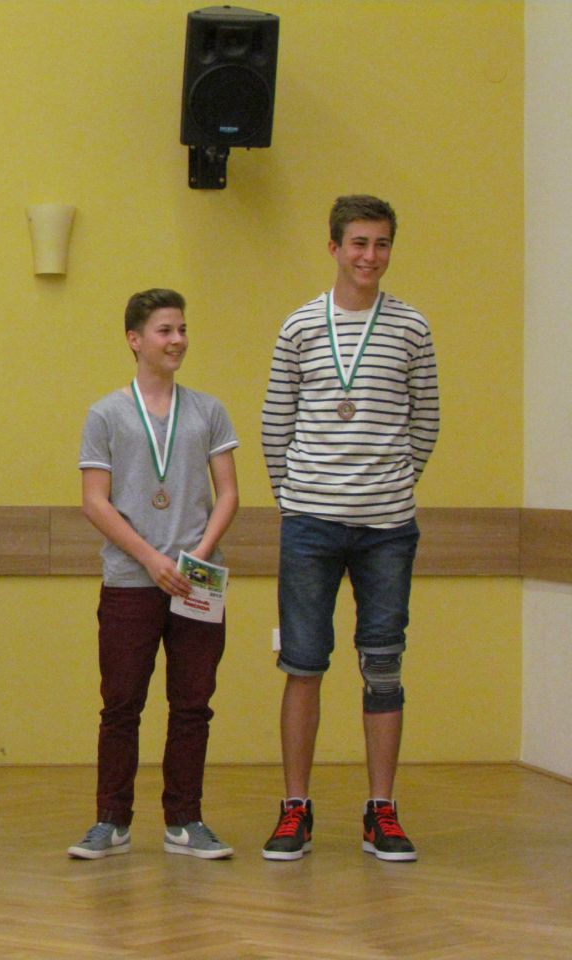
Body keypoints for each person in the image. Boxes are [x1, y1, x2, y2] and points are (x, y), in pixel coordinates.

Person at [260, 195, 439, 862]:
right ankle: (295, 809)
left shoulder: (412, 327)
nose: (370, 255)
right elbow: (276, 425)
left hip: (388, 527)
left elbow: (426, 422)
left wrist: (389, 482)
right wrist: (299, 497)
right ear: (334, 247)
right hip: (310, 523)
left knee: (384, 666)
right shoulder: (301, 326)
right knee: (303, 665)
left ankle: (380, 811)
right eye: (359, 242)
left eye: (382, 243)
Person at [67, 289, 239, 862]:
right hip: (130, 579)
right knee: (121, 705)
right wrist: (151, 558)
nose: (178, 340)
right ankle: (111, 821)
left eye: (182, 329)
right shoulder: (106, 414)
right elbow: (95, 501)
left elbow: (228, 493)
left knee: (193, 705)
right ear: (134, 340)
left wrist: (197, 556)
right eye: (165, 330)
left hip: (197, 581)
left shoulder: (209, 410)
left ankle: (185, 821)